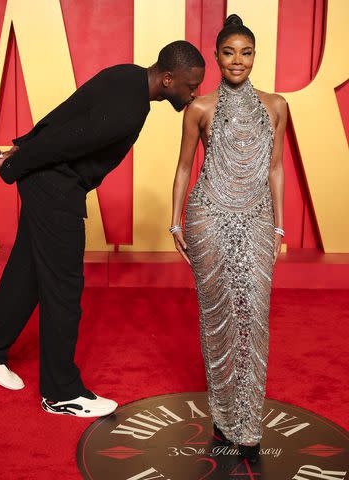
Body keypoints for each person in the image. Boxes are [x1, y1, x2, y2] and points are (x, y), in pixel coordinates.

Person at [0, 41, 205, 418]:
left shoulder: (126, 75)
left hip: (46, 181)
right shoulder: (130, 107)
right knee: (63, 289)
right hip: (55, 188)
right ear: (169, 78)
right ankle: (60, 393)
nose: (194, 93)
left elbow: (64, 115)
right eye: (191, 86)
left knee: (28, 271)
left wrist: (19, 148)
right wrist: (16, 164)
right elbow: (64, 139)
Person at [170, 15, 287, 463]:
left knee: (253, 314)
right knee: (217, 318)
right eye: (228, 52)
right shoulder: (199, 107)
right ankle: (223, 415)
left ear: (255, 56)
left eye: (246, 52)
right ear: (217, 57)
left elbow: (275, 167)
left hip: (257, 218)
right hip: (208, 217)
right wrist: (175, 222)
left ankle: (248, 422)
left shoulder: (276, 105)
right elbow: (184, 168)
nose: (238, 60)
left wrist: (277, 224)